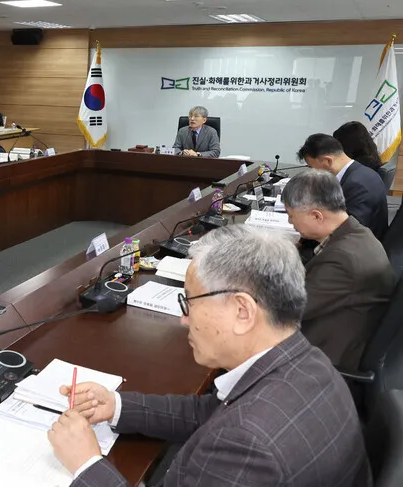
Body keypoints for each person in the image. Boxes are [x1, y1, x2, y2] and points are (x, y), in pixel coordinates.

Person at [48, 225, 370, 487]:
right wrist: (117, 406)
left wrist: (87, 465)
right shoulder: (308, 361)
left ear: (243, 311)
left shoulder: (244, 444)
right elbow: (210, 412)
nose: (183, 319)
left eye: (189, 302)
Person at [281, 169, 395, 370]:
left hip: (327, 359)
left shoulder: (343, 259)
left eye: (291, 215)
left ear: (316, 215)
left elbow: (288, 310)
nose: (290, 222)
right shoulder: (356, 232)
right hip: (338, 330)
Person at [297, 133, 388, 240]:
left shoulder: (358, 184)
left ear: (328, 161)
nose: (312, 172)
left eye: (312, 167)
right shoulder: (356, 173)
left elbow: (349, 232)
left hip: (356, 249)